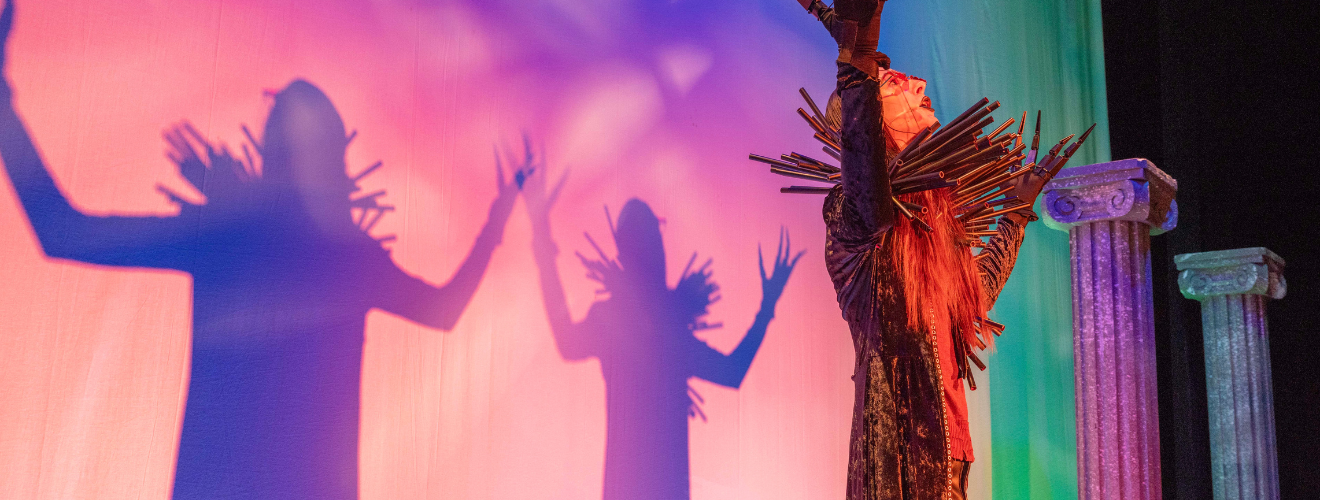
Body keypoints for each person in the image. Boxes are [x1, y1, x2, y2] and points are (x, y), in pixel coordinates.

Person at [0, 2, 519, 497]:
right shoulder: (343, 256)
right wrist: (499, 217)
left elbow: (62, 231)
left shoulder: (231, 235)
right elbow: (445, 310)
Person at [792, 1, 1054, 498]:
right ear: (877, 128)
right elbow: (864, 165)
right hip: (902, 458)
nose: (917, 85)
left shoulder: (935, 229)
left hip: (952, 453)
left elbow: (977, 292)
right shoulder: (857, 218)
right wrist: (855, 65)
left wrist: (1016, 212)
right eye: (894, 86)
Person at [521, 158, 802, 500]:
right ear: (654, 249)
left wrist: (541, 237)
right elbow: (732, 371)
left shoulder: (619, 319)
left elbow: (566, 341)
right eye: (656, 234)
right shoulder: (668, 327)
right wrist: (766, 307)